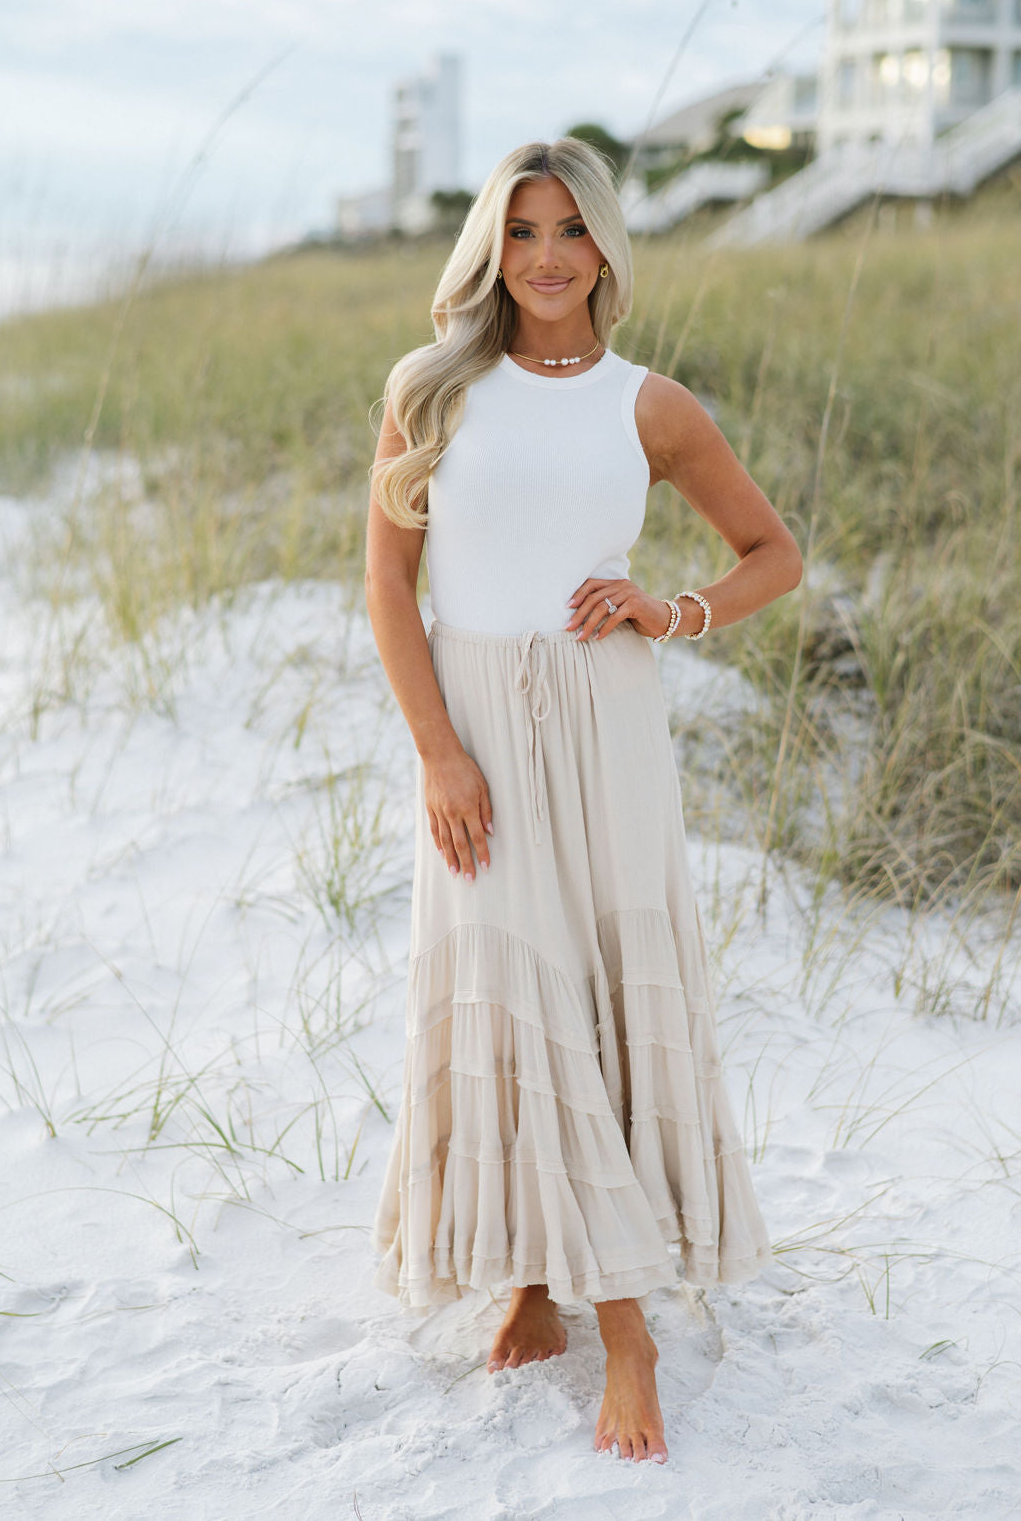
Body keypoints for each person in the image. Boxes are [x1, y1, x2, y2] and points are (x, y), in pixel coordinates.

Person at [364, 137, 802, 1466]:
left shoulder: (649, 406)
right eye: (521, 230)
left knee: (593, 989)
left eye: (570, 230)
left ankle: (626, 1330)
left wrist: (671, 610)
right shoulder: (433, 390)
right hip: (478, 729)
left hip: (607, 728)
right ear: (490, 248)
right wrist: (440, 753)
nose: (546, 256)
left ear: (606, 246)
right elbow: (389, 587)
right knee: (515, 986)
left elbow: (773, 554)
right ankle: (532, 1280)